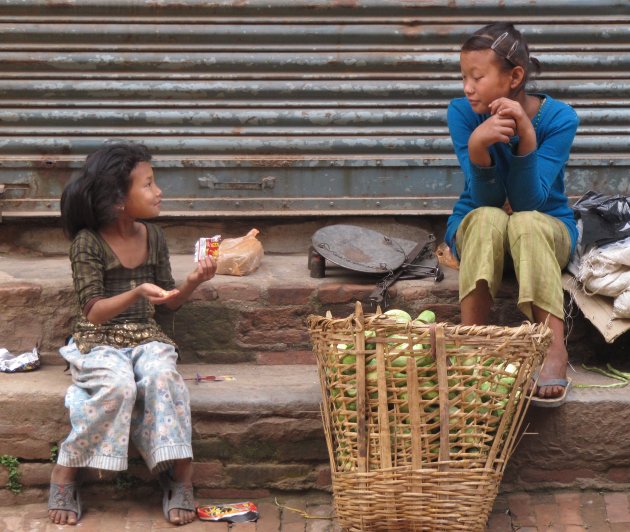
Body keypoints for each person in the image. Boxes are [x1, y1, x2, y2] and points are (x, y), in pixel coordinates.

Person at [48, 142, 216, 525]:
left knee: (162, 378)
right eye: (149, 184)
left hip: (147, 337)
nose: (159, 192)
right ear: (119, 199)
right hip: (99, 340)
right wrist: (138, 290)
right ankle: (66, 469)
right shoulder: (87, 243)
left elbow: (168, 303)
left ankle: (180, 476)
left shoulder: (153, 238)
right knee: (120, 387)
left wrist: (191, 282)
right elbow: (93, 310)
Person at [444, 23, 579, 407]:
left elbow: (530, 202)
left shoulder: (560, 119)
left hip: (544, 229)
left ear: (515, 76)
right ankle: (472, 338)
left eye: (477, 77)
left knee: (524, 221)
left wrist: (527, 136)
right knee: (488, 217)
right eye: (463, 77)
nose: (467, 87)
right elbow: (483, 198)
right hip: (478, 226)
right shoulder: (462, 113)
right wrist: (476, 147)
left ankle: (554, 348)